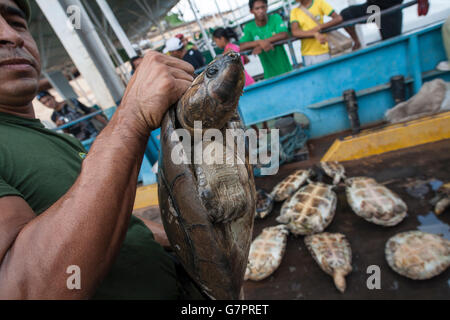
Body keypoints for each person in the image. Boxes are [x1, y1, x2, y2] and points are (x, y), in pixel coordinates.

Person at [0, 0, 204, 299]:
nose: (12, 36)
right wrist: (129, 118)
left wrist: (183, 238)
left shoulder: (55, 139)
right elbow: (27, 288)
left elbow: (109, 223)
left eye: (17, 24)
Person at [239, 0, 293, 79]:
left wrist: (263, 44)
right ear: (251, 11)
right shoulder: (249, 27)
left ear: (267, 7)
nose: (261, 11)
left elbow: (284, 34)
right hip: (269, 75)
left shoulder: (275, 18)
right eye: (257, 9)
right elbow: (241, 46)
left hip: (286, 69)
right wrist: (260, 42)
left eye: (263, 7)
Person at [37, 91, 107, 141]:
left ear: (53, 97)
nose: (48, 104)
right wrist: (61, 126)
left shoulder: (72, 102)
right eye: (44, 103)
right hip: (83, 141)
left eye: (48, 100)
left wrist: (107, 125)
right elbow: (67, 133)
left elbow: (91, 112)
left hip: (96, 134)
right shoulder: (54, 117)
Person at [290, 0, 343, 67]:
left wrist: (320, 27)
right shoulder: (294, 11)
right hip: (306, 53)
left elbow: (338, 18)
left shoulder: (319, 3)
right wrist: (314, 33)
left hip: (323, 50)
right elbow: (295, 31)